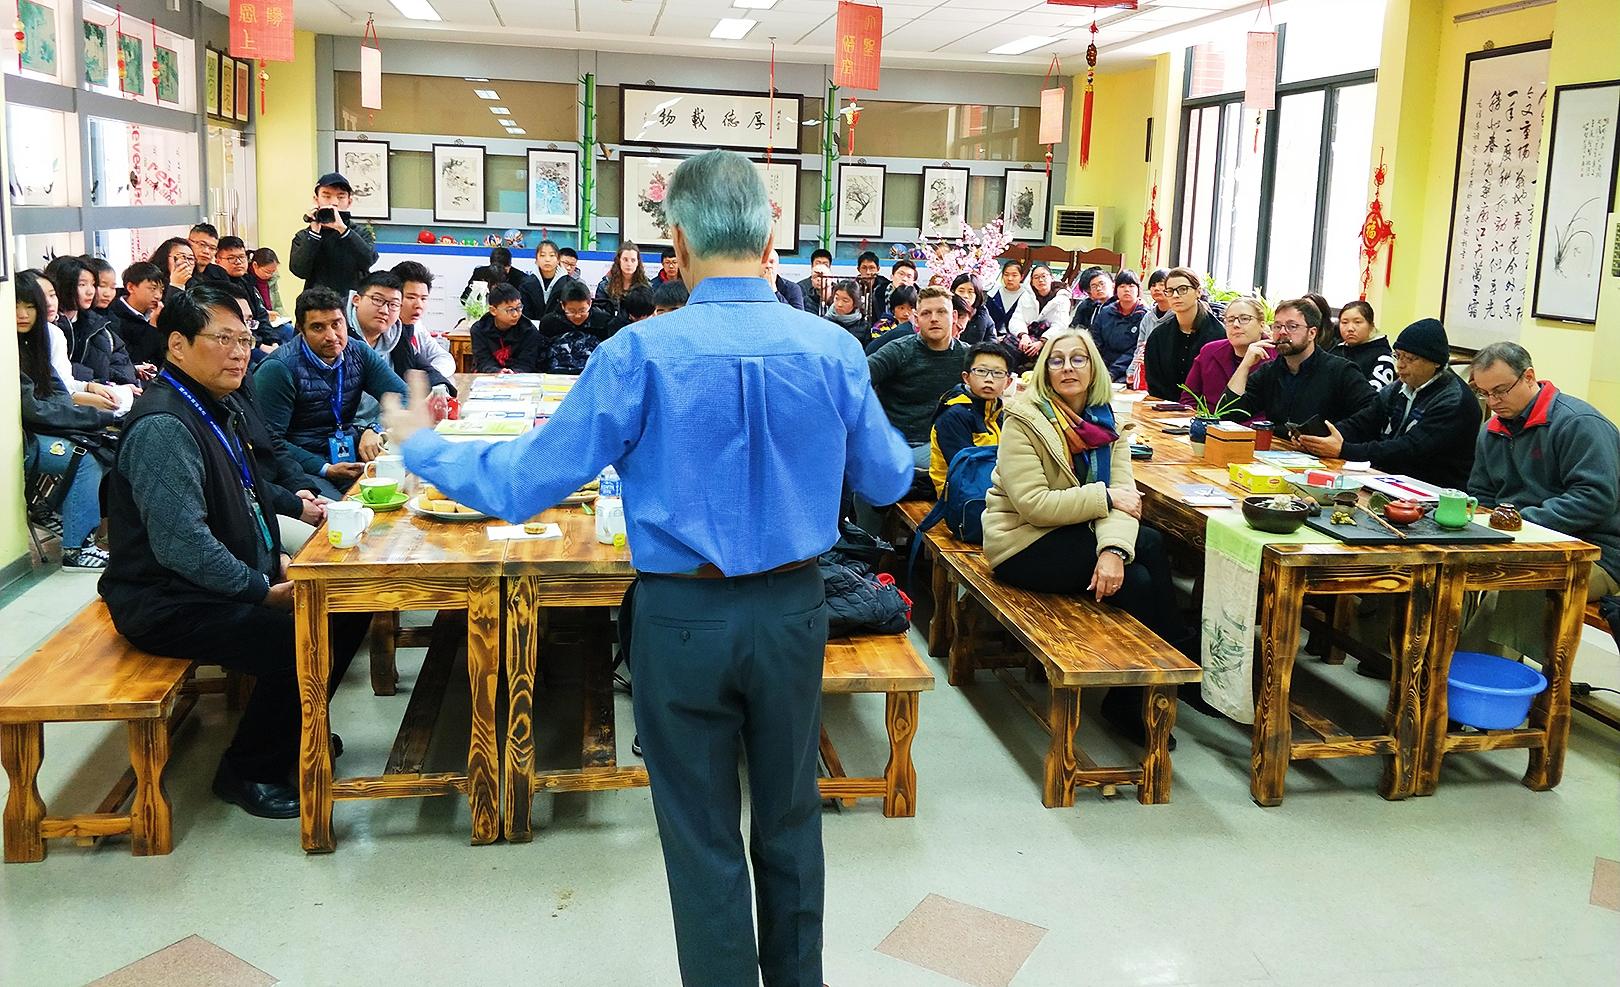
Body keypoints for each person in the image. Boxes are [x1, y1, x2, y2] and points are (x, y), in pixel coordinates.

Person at [383, 149, 912, 987]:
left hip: (681, 619)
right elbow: (888, 480)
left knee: (700, 834)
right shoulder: (833, 349)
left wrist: (425, 446)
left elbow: (524, 482)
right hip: (795, 611)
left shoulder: (639, 353)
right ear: (772, 232)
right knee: (790, 816)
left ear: (678, 239)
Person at [99, 284, 365, 819]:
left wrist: (281, 547)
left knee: (349, 608)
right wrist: (261, 590)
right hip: (165, 599)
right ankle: (248, 770)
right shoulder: (164, 426)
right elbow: (183, 546)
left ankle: (294, 727)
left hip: (216, 582)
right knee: (297, 637)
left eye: (245, 339)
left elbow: (247, 489)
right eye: (223, 339)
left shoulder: (214, 405)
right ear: (176, 345)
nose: (241, 352)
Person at [981, 326, 1197, 745]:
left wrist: (1113, 549)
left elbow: (1126, 499)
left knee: (1147, 544)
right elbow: (1036, 505)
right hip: (1022, 543)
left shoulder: (1104, 421)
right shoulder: (1024, 422)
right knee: (1140, 579)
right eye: (1057, 360)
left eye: (1078, 359)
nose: (1067, 368)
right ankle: (1145, 691)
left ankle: (1152, 681)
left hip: (1075, 531)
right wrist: (1106, 498)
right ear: (1044, 371)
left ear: (1093, 367)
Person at [1466, 341, 1620, 631]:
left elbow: (1595, 496)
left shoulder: (1578, 423)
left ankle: (1489, 673)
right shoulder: (1491, 430)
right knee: (1452, 574)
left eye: (1500, 390)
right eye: (1484, 394)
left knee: (1513, 584)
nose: (1493, 402)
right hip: (1520, 541)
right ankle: (1437, 661)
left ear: (1528, 376)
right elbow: (1481, 493)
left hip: (1595, 551)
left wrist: (1521, 523)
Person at [254, 287, 407, 499]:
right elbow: (268, 441)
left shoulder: (358, 351)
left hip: (350, 453)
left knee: (405, 490)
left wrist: (375, 428)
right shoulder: (278, 369)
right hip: (303, 466)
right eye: (318, 327)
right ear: (301, 329)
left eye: (337, 324)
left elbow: (404, 398)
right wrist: (324, 468)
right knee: (344, 512)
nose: (332, 336)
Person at [1295, 318, 1478, 490]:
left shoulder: (1453, 399)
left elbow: (1409, 450)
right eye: (1398, 356)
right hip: (1387, 479)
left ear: (1436, 363)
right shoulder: (1398, 388)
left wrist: (1344, 450)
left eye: (1410, 359)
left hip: (1432, 489)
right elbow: (1363, 422)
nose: (1400, 365)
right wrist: (1318, 437)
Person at [16, 271, 116, 569]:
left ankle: (54, 511)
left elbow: (57, 392)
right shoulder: (7, 351)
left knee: (106, 445)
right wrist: (90, 418)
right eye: (14, 306)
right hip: (23, 439)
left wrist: (90, 419)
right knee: (83, 455)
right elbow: (32, 409)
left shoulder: (32, 346)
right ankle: (77, 549)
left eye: (29, 306)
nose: (23, 314)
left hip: (39, 430)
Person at [860, 286, 965, 529]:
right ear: (916, 318)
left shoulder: (967, 357)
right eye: (926, 313)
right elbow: (857, 378)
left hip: (940, 447)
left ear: (955, 317)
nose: (935, 318)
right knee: (868, 472)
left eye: (942, 312)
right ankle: (869, 551)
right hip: (896, 443)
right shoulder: (900, 350)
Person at [1220, 297, 1376, 430]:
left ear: (1312, 333)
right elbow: (1228, 414)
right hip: (1278, 453)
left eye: (1292, 326)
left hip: (1325, 457)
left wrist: (1336, 435)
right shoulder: (1269, 372)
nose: (1282, 332)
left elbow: (1373, 413)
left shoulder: (1341, 371)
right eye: (1277, 326)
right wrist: (1245, 366)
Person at [348, 271, 456, 396]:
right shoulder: (339, 334)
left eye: (393, 305)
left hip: (394, 413)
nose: (384, 310)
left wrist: (441, 391)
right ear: (357, 300)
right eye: (377, 300)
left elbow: (426, 369)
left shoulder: (398, 336)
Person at [928, 341, 1010, 497]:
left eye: (998, 373)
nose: (989, 379)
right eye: (981, 371)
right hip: (960, 498)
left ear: (1008, 381)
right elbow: (967, 471)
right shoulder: (953, 415)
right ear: (966, 377)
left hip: (993, 490)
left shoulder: (998, 412)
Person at [46, 255, 138, 388]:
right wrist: (95, 380)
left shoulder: (97, 324)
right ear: (63, 285)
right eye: (82, 284)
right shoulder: (49, 326)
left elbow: (120, 358)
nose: (90, 291)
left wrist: (123, 383)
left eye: (93, 284)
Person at [289, 172, 379, 295]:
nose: (334, 202)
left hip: (351, 302)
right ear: (316, 200)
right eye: (326, 196)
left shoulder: (360, 233)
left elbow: (368, 261)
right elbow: (299, 271)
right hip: (317, 303)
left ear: (349, 201)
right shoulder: (305, 236)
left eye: (341, 197)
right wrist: (314, 233)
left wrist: (343, 230)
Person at [1142, 267, 1223, 400]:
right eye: (1170, 291)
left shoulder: (1218, 335)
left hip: (1205, 410)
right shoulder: (1158, 336)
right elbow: (1154, 383)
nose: (1175, 295)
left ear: (1198, 292)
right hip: (1164, 409)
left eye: (1183, 289)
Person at [1182, 298, 1274, 412]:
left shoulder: (1277, 357)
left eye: (1244, 319)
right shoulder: (1209, 351)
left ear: (1261, 325)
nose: (1235, 325)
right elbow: (1188, 399)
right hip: (1209, 424)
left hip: (1255, 428)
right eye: (1230, 320)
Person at [196, 235, 274, 339]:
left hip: (256, 334)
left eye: (241, 257)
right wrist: (261, 345)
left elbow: (261, 315)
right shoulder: (215, 285)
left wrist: (272, 341)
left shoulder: (247, 281)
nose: (238, 262)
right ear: (217, 260)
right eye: (231, 258)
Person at [389, 261, 457, 378]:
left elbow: (444, 358)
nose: (418, 305)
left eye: (424, 298)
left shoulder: (416, 326)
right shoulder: (383, 330)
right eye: (411, 297)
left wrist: (427, 377)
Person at [538, 280, 614, 374]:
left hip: (593, 374)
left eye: (582, 310)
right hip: (557, 375)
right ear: (562, 305)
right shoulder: (550, 323)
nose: (577, 316)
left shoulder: (603, 321)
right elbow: (541, 356)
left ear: (590, 303)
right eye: (572, 311)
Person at [470, 283, 546, 374]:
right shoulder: (479, 330)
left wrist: (514, 372)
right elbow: (483, 360)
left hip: (520, 377)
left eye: (519, 308)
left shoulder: (529, 331)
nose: (516, 314)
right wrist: (497, 371)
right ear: (493, 311)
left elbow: (527, 362)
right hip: (490, 376)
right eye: (510, 310)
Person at [1089, 270, 1150, 382]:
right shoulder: (1106, 312)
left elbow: (1137, 350)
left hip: (1129, 368)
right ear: (1116, 290)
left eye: (1131, 286)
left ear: (1138, 290)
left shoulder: (1145, 316)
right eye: (1122, 286)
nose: (1127, 289)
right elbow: (1095, 341)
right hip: (1102, 366)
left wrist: (1113, 372)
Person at [108, 261, 169, 373]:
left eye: (161, 290)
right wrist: (153, 326)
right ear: (131, 287)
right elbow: (133, 358)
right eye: (152, 288)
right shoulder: (114, 316)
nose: (158, 295)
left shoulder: (157, 313)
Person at [1006, 263, 1070, 364]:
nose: (1040, 280)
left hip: (1050, 341)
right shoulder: (1026, 296)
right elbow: (1017, 318)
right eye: (1036, 277)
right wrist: (1023, 335)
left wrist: (1042, 342)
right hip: (1028, 338)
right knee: (1008, 342)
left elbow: (1060, 325)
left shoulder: (1062, 298)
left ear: (1051, 278)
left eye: (1044, 276)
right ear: (1032, 281)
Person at [1330, 300, 1395, 390]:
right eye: (1344, 322)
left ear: (1371, 325)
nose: (1350, 328)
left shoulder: (1382, 357)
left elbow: (1376, 397)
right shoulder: (1335, 351)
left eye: (1357, 322)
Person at [520, 239, 572, 320]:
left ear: (558, 260)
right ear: (536, 260)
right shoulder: (526, 284)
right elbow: (525, 314)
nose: (547, 259)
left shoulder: (569, 284)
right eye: (542, 255)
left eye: (552, 255)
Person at [594, 243, 650, 319]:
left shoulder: (646, 285)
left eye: (633, 260)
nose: (629, 264)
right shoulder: (605, 285)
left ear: (638, 263)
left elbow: (649, 313)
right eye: (625, 260)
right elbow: (598, 312)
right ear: (619, 261)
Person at [460, 245, 531, 303]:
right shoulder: (480, 273)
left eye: (503, 269)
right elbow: (464, 299)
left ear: (509, 266)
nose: (499, 272)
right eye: (496, 268)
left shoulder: (521, 278)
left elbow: (525, 306)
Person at [865, 284, 919, 353]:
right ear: (893, 309)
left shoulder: (919, 327)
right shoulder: (882, 326)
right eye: (901, 308)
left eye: (911, 308)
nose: (906, 313)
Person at [986, 260, 1026, 339]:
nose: (1010, 279)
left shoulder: (1027, 296)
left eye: (1014, 275)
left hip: (1018, 339)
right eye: (1006, 275)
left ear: (1021, 277)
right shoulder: (993, 294)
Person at [150, 237, 196, 304]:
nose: (187, 263)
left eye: (191, 258)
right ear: (164, 258)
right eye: (181, 257)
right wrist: (176, 285)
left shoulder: (197, 286)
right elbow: (168, 313)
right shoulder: (151, 282)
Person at [950, 273, 991, 344]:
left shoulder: (982, 313)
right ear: (953, 292)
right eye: (961, 291)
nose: (965, 296)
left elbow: (991, 340)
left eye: (970, 292)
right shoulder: (946, 311)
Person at [797, 248, 835, 316]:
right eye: (818, 263)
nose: (821, 267)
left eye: (825, 264)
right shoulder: (800, 287)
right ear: (812, 265)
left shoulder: (836, 289)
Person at [854, 251, 890, 322]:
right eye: (864, 268)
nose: (868, 272)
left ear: (878, 269)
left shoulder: (885, 286)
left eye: (872, 268)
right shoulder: (853, 286)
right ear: (858, 269)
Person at [249, 247, 284, 319]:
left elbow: (278, 305)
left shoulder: (272, 279)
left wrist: (283, 318)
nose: (270, 275)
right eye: (267, 272)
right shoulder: (246, 280)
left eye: (273, 271)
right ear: (255, 265)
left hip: (273, 319)